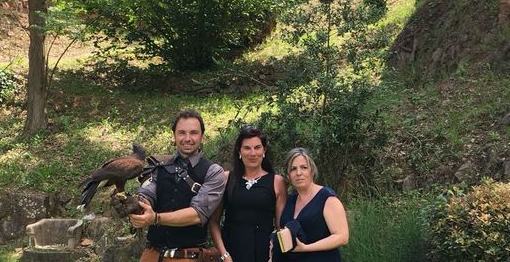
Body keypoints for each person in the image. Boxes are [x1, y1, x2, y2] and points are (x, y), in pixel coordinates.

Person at [129, 109, 226, 262]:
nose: (187, 138)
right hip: (152, 255)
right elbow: (148, 194)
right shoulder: (158, 166)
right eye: (182, 133)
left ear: (202, 137)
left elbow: (197, 214)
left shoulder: (213, 172)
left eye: (193, 133)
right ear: (174, 136)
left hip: (187, 257)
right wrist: (136, 206)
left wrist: (155, 218)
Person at [210, 126, 287, 262]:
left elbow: (281, 227)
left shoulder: (277, 182)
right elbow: (214, 222)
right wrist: (224, 255)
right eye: (247, 148)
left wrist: (274, 255)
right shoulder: (227, 178)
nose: (253, 153)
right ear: (239, 151)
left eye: (257, 147)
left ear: (264, 150)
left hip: (264, 254)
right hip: (231, 253)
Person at [273, 148, 348, 262]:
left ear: (312, 171)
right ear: (288, 175)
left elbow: (342, 237)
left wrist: (306, 248)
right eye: (293, 169)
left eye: (304, 167)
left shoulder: (327, 198)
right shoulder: (290, 201)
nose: (299, 173)